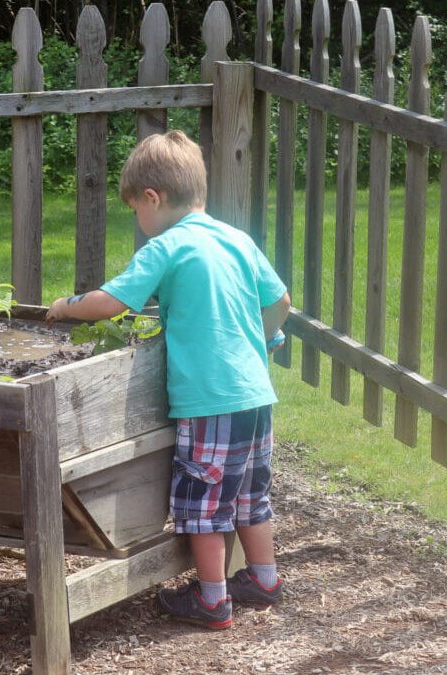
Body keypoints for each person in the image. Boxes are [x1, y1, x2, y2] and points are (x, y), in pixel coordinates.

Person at [46, 130, 291, 630]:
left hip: (209, 400)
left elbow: (110, 302)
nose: (140, 223)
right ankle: (263, 579)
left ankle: (212, 598)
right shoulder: (236, 238)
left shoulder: (169, 246)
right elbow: (281, 302)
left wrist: (65, 307)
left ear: (153, 198)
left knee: (203, 502)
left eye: (136, 209)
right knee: (249, 494)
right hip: (256, 395)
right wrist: (258, 341)